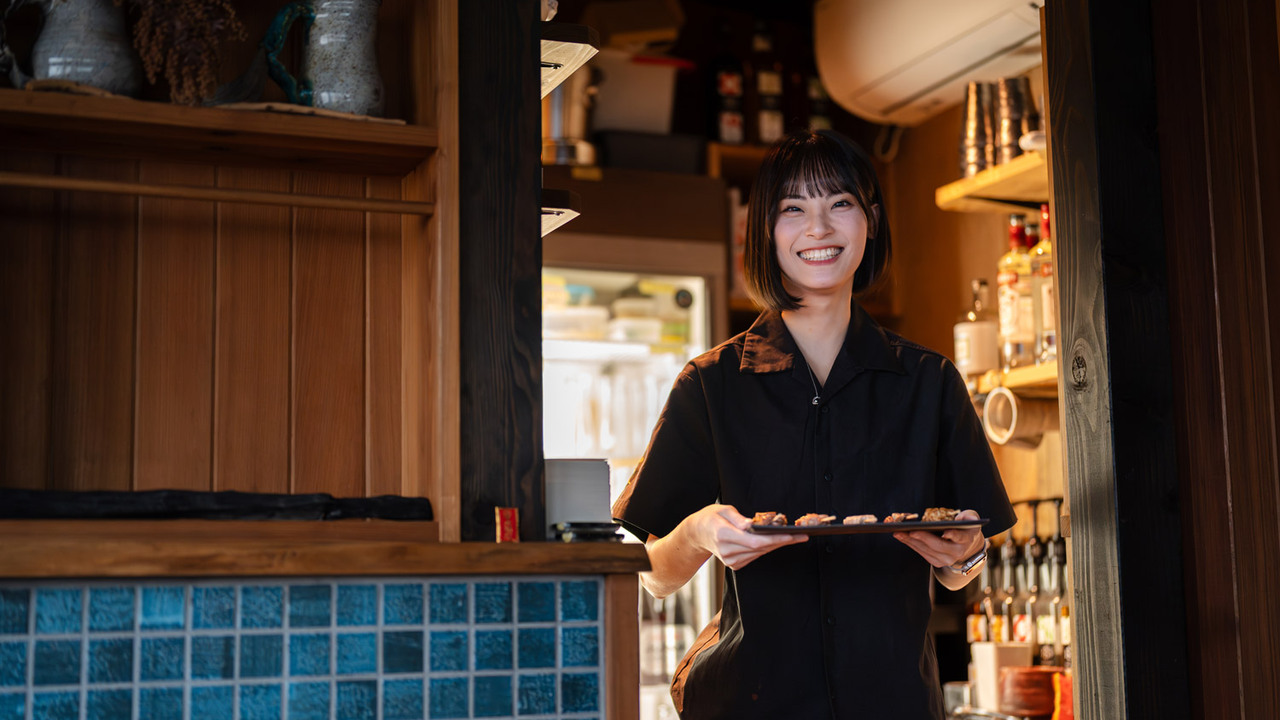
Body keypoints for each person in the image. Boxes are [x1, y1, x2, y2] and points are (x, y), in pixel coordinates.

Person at [611, 129, 1017, 719]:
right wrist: (700, 532)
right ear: (766, 232)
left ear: (870, 220)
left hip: (892, 703)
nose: (819, 229)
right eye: (793, 209)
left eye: (840, 204)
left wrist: (963, 554)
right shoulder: (711, 385)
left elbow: (961, 570)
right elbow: (654, 577)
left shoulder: (929, 384)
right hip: (750, 703)